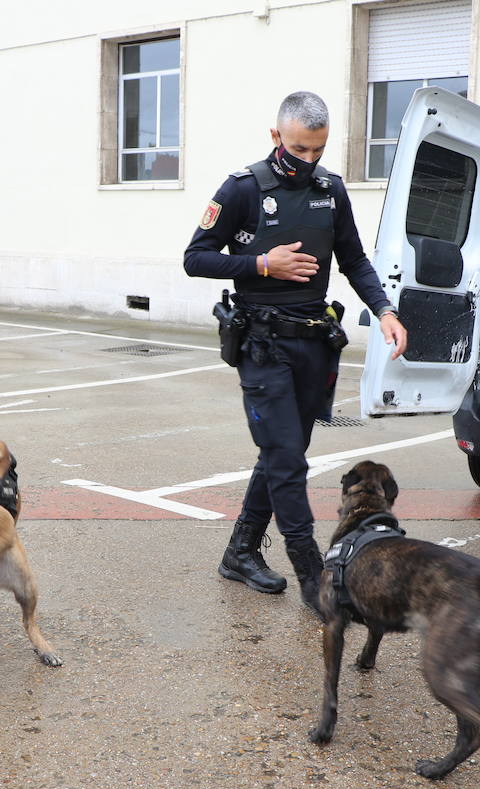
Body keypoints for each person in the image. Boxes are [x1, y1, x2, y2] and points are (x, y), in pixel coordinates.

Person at [184, 90, 408, 612]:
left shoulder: (331, 190)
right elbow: (195, 258)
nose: (309, 160)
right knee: (287, 460)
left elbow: (353, 259)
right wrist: (262, 264)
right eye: (299, 148)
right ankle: (315, 577)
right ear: (275, 136)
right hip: (262, 345)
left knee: (282, 454)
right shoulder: (241, 189)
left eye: (318, 150)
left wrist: (386, 312)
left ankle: (240, 552)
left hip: (314, 344)